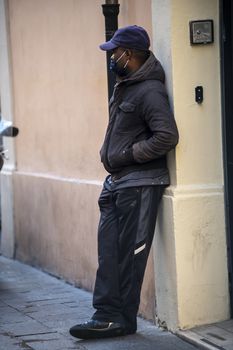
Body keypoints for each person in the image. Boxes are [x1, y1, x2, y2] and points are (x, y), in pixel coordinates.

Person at [70, 25, 179, 340]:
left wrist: (129, 154)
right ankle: (104, 315)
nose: (111, 57)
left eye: (114, 52)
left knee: (129, 254)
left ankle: (121, 319)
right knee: (109, 252)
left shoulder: (150, 91)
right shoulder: (127, 85)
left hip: (140, 183)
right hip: (117, 183)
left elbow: (167, 136)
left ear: (128, 54)